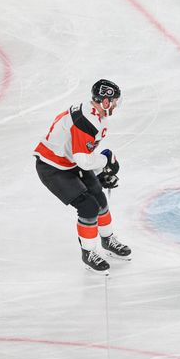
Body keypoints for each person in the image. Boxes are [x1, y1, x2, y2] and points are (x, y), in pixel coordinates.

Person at [34, 79, 130, 274]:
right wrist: (105, 163)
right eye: (114, 101)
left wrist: (99, 173)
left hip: (69, 161)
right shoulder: (87, 120)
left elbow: (82, 154)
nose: (115, 105)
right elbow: (83, 161)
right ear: (104, 101)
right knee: (88, 206)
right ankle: (88, 253)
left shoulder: (96, 114)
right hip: (52, 167)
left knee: (100, 198)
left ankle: (107, 239)